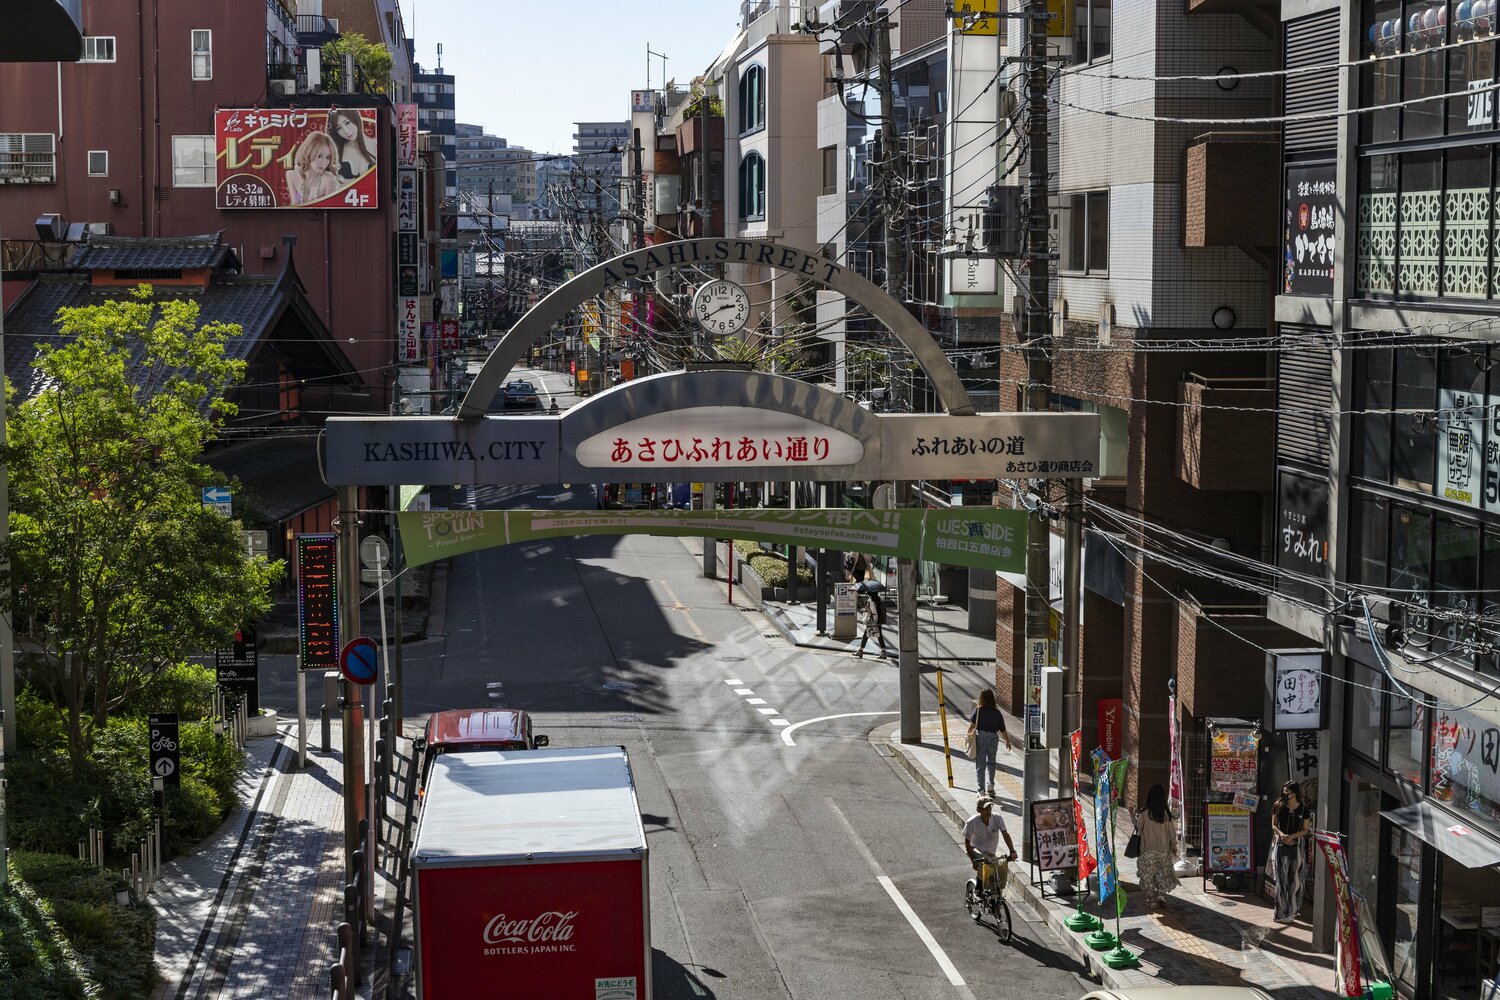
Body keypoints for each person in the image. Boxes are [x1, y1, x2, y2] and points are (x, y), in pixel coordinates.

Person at [1271, 780, 1312, 924]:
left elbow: (1306, 830)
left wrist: (1291, 837)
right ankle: (1280, 913)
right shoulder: (1278, 805)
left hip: (1297, 844)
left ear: (1295, 793)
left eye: (1287, 792)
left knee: (1296, 878)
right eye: (1284, 791)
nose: (1285, 794)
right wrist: (1282, 836)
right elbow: (1274, 825)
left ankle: (1293, 910)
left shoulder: (1304, 809)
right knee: (1281, 879)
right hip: (1281, 842)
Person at [1134, 783, 1180, 910]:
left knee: (1148, 876)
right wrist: (1174, 845)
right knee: (1161, 875)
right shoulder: (1166, 814)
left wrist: (1134, 817)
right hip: (1163, 852)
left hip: (1148, 851)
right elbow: (1171, 833)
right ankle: (1161, 896)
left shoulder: (1144, 813)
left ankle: (1151, 900)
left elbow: (1138, 828)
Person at [963, 795, 1018, 896]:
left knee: (999, 870)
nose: (988, 811)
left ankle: (996, 898)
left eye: (990, 808)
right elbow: (967, 843)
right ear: (978, 810)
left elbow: (1005, 834)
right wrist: (973, 860)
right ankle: (978, 889)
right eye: (985, 809)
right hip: (976, 849)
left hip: (991, 852)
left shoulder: (997, 818)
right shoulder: (972, 822)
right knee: (984, 864)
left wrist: (1012, 851)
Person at [966, 688, 1011, 796]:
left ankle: (981, 790)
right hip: (993, 738)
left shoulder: (978, 710)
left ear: (981, 698)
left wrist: (968, 737)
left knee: (980, 764)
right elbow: (1002, 729)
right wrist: (1007, 741)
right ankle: (990, 784)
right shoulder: (997, 712)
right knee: (991, 762)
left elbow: (971, 726)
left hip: (980, 737)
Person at [286, 131, 340, 206]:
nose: (324, 163)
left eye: (328, 157)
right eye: (319, 156)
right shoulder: (291, 175)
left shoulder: (329, 180)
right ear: (309, 152)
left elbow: (330, 210)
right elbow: (294, 206)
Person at [327, 109, 375, 180]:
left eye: (347, 123)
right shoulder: (335, 151)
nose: (346, 131)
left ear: (355, 118)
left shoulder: (375, 144)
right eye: (339, 128)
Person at [853, 592, 890, 659]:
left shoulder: (872, 602)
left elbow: (872, 612)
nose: (868, 596)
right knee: (879, 636)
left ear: (871, 595)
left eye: (869, 595)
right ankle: (883, 652)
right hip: (877, 621)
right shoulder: (878, 600)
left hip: (873, 621)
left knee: (866, 635)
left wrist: (867, 608)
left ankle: (860, 651)